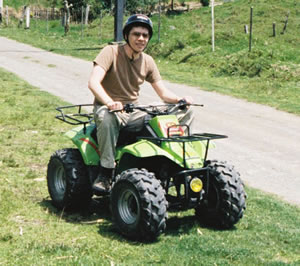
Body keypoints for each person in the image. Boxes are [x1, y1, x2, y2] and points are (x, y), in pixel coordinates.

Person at [88, 14, 194, 193]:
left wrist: (179, 100)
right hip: (110, 109)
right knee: (106, 117)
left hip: (134, 111)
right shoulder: (110, 52)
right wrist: (110, 102)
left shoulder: (148, 61)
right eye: (136, 34)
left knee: (185, 111)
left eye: (145, 35)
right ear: (127, 35)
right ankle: (106, 172)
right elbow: (93, 82)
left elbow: (162, 93)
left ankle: (175, 161)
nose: (141, 39)